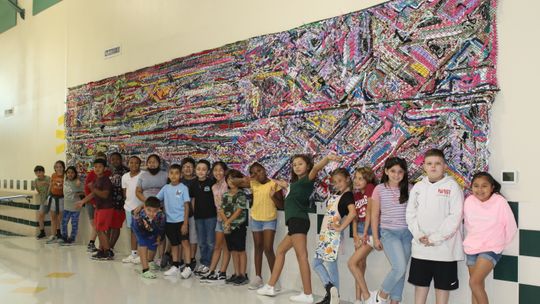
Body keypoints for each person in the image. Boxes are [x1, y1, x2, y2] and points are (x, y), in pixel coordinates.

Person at [258, 152, 341, 304]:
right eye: (294, 164)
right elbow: (286, 201)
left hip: (298, 221)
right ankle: (270, 286)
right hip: (294, 222)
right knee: (281, 250)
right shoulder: (295, 185)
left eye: (300, 164)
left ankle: (308, 294)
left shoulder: (306, 180)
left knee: (301, 256)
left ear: (307, 166)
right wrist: (282, 188)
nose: (296, 167)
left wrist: (327, 158)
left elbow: (316, 168)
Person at [406, 149, 464, 304]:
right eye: (429, 163)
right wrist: (419, 235)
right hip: (421, 249)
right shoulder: (418, 187)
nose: (433, 167)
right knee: (420, 287)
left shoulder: (452, 187)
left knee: (442, 289)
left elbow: (455, 216)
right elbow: (410, 214)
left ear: (444, 166)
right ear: (424, 166)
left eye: (437, 163)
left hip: (445, 250)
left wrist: (435, 238)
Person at [463, 172, 517, 304]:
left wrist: (499, 243)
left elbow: (511, 226)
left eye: (484, 186)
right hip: (472, 247)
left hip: (491, 248)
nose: (479, 190)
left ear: (492, 187)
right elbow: (467, 224)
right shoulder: (469, 201)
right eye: (476, 186)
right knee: (476, 286)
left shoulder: (499, 202)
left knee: (474, 282)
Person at [230, 162, 284, 290]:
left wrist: (273, 197)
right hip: (256, 219)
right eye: (253, 173)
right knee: (258, 247)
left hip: (269, 220)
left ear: (265, 169)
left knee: (268, 248)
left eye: (259, 171)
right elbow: (233, 181)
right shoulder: (253, 183)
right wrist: (245, 179)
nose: (257, 174)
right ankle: (258, 277)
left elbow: (282, 206)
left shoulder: (274, 184)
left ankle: (274, 280)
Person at [369, 157, 411, 304]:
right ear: (386, 171)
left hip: (407, 234)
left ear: (404, 173)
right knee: (399, 267)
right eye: (392, 171)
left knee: (402, 270)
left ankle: (395, 301)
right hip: (389, 233)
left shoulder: (409, 189)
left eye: (400, 171)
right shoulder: (379, 189)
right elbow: (374, 215)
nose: (396, 174)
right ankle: (380, 295)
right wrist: (375, 238)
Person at [313, 168, 356, 304]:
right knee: (323, 265)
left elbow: (353, 213)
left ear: (348, 179)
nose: (337, 184)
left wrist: (340, 227)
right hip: (326, 234)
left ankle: (331, 290)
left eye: (340, 181)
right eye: (335, 182)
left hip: (332, 235)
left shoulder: (347, 195)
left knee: (324, 265)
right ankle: (332, 294)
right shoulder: (339, 194)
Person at [158, 164, 193, 279]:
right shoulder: (166, 188)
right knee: (174, 244)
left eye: (176, 173)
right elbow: (156, 200)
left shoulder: (183, 188)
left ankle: (188, 267)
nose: (174, 175)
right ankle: (175, 265)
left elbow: (186, 206)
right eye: (171, 173)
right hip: (169, 221)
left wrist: (185, 223)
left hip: (181, 221)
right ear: (168, 175)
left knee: (185, 243)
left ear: (181, 175)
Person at [348, 167, 378, 304]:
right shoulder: (355, 195)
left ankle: (367, 297)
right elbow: (354, 217)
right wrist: (355, 234)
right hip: (360, 229)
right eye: (356, 178)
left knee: (353, 263)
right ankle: (357, 299)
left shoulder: (371, 188)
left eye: (361, 178)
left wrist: (365, 233)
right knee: (359, 264)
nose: (357, 181)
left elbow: (371, 213)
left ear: (368, 179)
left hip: (371, 229)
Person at [77, 158, 115, 260]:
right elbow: (93, 194)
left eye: (100, 167)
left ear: (105, 168)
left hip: (106, 208)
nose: (97, 169)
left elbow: (104, 194)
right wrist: (83, 201)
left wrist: (92, 188)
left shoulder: (106, 180)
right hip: (99, 208)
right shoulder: (97, 179)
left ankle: (107, 251)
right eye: (96, 167)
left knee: (101, 230)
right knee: (99, 230)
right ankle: (102, 250)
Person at [200, 161, 231, 284]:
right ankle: (211, 271)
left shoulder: (227, 184)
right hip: (219, 219)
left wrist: (228, 220)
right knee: (218, 246)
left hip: (228, 220)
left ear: (225, 171)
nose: (218, 172)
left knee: (226, 247)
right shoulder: (214, 186)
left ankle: (222, 273)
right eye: (215, 170)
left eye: (220, 170)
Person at [135, 154, 168, 265]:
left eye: (154, 162)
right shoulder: (143, 175)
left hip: (161, 208)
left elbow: (169, 190)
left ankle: (161, 258)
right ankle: (149, 260)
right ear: (147, 163)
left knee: (161, 234)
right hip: (147, 208)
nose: (152, 164)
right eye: (150, 162)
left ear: (159, 163)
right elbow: (138, 191)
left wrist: (158, 206)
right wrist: (146, 204)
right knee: (148, 233)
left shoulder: (165, 175)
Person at [220, 169, 250, 285]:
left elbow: (239, 210)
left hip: (238, 226)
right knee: (232, 250)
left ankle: (242, 274)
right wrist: (226, 222)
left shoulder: (241, 194)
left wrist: (229, 221)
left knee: (240, 250)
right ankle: (236, 273)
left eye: (233, 179)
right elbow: (221, 209)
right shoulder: (225, 194)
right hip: (227, 227)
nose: (230, 181)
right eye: (228, 179)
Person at [189, 159, 216, 276]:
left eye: (204, 169)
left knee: (210, 242)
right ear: (195, 170)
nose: (201, 171)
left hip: (211, 217)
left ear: (208, 171)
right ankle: (203, 262)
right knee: (202, 242)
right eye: (198, 169)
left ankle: (208, 264)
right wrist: (194, 213)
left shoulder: (211, 183)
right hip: (198, 217)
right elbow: (193, 200)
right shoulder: (193, 184)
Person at [132, 196, 166, 279]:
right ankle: (145, 270)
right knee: (143, 244)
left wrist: (159, 237)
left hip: (153, 228)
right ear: (144, 208)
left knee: (153, 244)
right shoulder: (139, 217)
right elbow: (142, 235)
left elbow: (161, 229)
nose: (151, 213)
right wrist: (148, 237)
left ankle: (150, 261)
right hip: (139, 229)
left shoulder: (162, 216)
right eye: (149, 210)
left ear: (159, 209)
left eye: (154, 211)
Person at [122, 156, 143, 264]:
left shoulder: (143, 175)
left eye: (136, 163)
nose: (133, 165)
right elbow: (125, 193)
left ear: (140, 164)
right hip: (129, 208)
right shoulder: (125, 176)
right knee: (133, 231)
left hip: (140, 208)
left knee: (142, 231)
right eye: (131, 163)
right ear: (128, 163)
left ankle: (142, 254)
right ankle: (134, 254)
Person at [108, 152, 129, 252]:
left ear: (121, 160)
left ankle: (110, 248)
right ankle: (105, 247)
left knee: (116, 226)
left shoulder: (126, 171)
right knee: (109, 226)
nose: (115, 161)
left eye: (117, 159)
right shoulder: (110, 171)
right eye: (113, 159)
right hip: (110, 203)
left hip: (120, 204)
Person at [180, 157, 198, 270]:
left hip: (193, 214)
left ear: (194, 169)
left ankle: (191, 259)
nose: (188, 168)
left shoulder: (197, 181)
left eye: (190, 166)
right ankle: (183, 260)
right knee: (182, 238)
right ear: (182, 168)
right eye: (185, 166)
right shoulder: (179, 181)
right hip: (179, 214)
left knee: (192, 237)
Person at [59, 166, 84, 245]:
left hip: (75, 208)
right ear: (66, 173)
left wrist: (78, 193)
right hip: (66, 207)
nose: (70, 174)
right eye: (68, 172)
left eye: (72, 173)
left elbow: (85, 192)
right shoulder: (65, 180)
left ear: (75, 174)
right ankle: (64, 237)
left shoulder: (78, 182)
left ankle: (72, 238)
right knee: (64, 222)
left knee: (74, 223)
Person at [46, 160, 66, 244]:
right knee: (53, 217)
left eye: (60, 167)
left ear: (63, 167)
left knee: (60, 219)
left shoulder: (65, 176)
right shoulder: (53, 175)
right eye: (57, 167)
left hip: (61, 199)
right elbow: (50, 185)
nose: (59, 168)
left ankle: (60, 235)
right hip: (52, 198)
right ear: (55, 168)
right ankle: (53, 235)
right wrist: (47, 196)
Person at [34, 165, 51, 239]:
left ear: (43, 172)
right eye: (36, 172)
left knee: (54, 216)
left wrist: (46, 184)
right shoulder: (36, 180)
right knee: (40, 216)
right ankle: (42, 232)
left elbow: (52, 187)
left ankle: (57, 232)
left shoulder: (48, 178)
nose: (38, 174)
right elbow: (38, 191)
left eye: (40, 172)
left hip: (50, 199)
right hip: (43, 201)